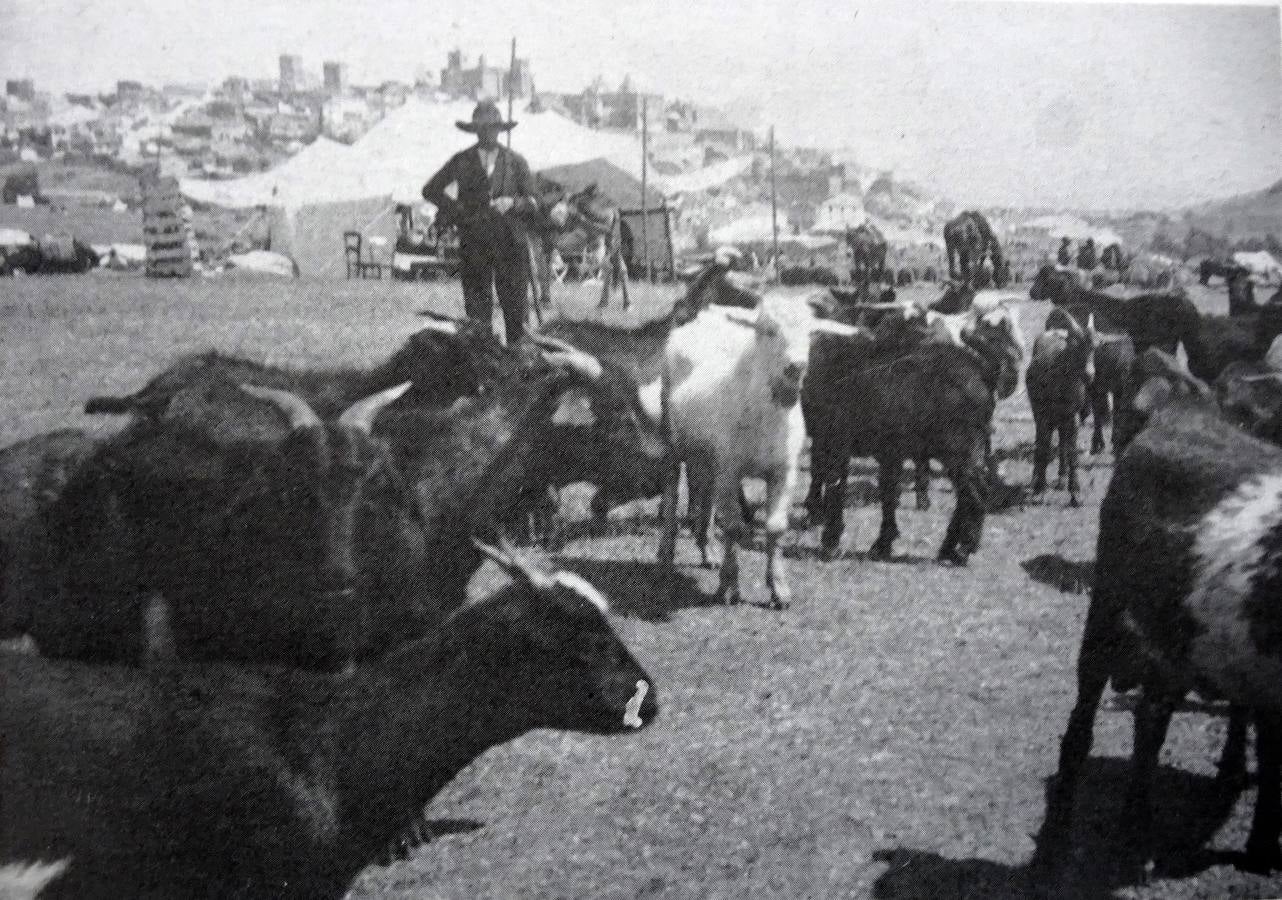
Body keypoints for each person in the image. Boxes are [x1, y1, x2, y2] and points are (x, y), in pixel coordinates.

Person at [422, 100, 537, 342]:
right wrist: (458, 210)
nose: (488, 133)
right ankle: (483, 371)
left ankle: (519, 370)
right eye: (482, 129)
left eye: (492, 128)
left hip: (510, 246)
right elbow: (431, 189)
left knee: (516, 315)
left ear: (500, 129)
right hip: (475, 245)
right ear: (475, 131)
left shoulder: (515, 162)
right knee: (477, 318)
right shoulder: (462, 161)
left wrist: (512, 203)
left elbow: (534, 202)